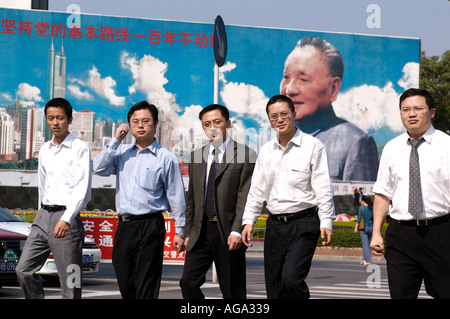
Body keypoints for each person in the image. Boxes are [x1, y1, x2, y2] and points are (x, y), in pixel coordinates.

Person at [242, 95, 334, 299]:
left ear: (294, 114)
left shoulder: (313, 146)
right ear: (269, 120)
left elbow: (322, 186)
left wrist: (326, 220)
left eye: (284, 114)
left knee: (291, 279)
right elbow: (257, 189)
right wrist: (249, 221)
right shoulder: (266, 151)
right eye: (274, 116)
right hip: (275, 226)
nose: (280, 120)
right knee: (274, 286)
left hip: (304, 223)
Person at [93, 101, 185, 299]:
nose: (140, 125)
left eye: (145, 121)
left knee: (147, 282)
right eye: (135, 122)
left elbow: (176, 196)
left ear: (155, 124)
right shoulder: (121, 153)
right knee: (125, 278)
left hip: (151, 225)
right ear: (129, 125)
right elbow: (98, 168)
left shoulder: (165, 157)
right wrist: (116, 140)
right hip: (125, 226)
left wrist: (180, 230)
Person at [370, 88, 450, 299]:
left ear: (432, 112)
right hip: (400, 235)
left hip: (440, 231)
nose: (411, 114)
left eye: (418, 108)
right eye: (405, 109)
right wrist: (376, 232)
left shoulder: (447, 145)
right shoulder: (391, 148)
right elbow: (382, 192)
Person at [16, 98, 91, 299]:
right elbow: (43, 184)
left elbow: (82, 189)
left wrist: (66, 219)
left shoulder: (80, 148)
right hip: (43, 217)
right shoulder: (45, 149)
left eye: (60, 118)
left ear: (69, 119)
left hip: (67, 219)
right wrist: (40, 215)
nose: (55, 122)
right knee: (23, 270)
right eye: (51, 118)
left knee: (70, 281)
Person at [180, 104, 256, 299]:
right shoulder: (197, 156)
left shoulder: (245, 155)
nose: (212, 128)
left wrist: (237, 229)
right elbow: (192, 199)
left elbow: (245, 196)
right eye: (207, 124)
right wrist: (188, 232)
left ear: (227, 124)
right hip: (200, 232)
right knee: (188, 282)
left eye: (217, 122)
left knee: (232, 291)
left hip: (228, 233)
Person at [279, 36, 378, 181]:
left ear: (333, 88)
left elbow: (360, 202)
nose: (290, 89)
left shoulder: (356, 143)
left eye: (303, 79)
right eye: (286, 77)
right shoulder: (272, 139)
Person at [354, 196, 373, 265]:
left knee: (365, 244)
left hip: (363, 228)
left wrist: (356, 228)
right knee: (366, 243)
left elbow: (358, 219)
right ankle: (364, 259)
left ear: (363, 201)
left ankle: (369, 260)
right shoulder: (372, 208)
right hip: (371, 227)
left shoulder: (361, 208)